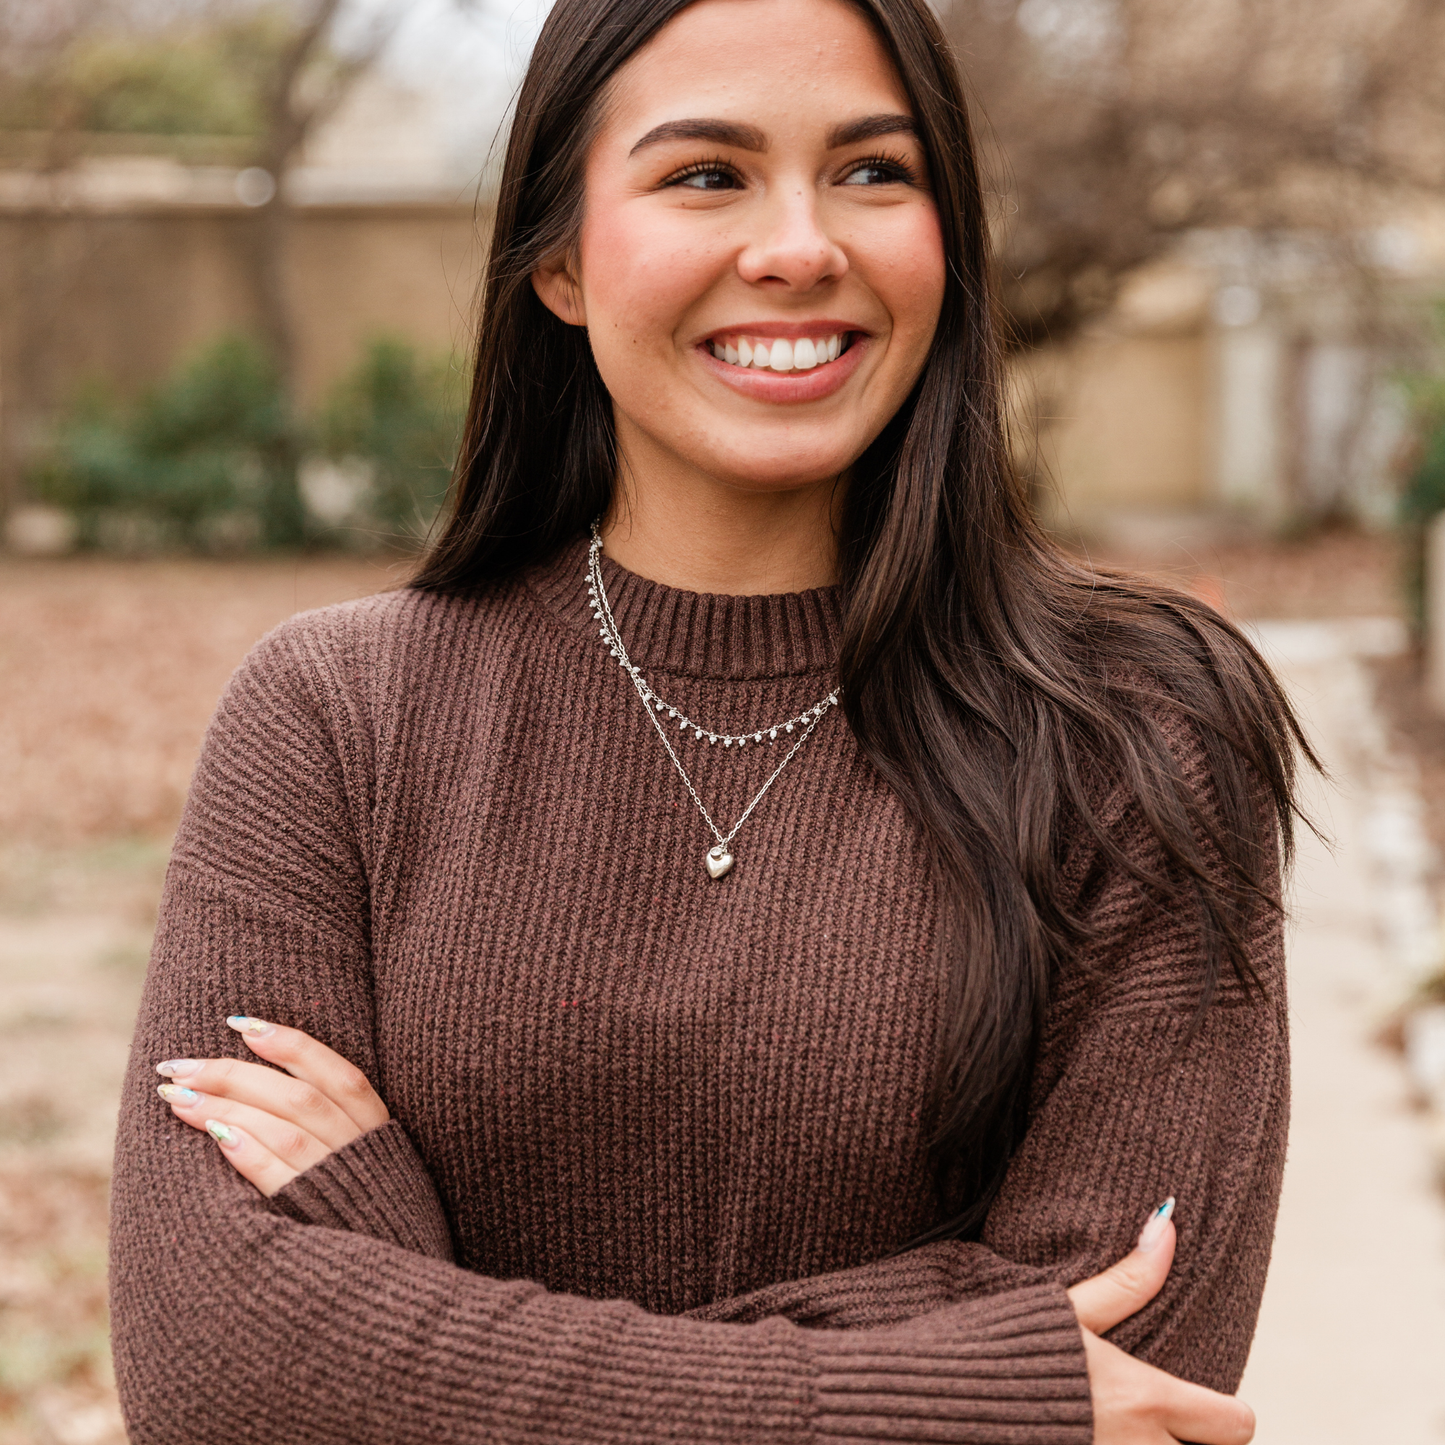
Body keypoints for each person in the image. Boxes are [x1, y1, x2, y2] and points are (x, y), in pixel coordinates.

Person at [109, 0, 1309, 1438]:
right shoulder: (336, 716)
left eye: (875, 171)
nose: (801, 246)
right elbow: (218, 1369)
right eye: (705, 175)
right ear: (556, 258)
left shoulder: (1140, 732)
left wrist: (394, 1270)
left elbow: (1146, 1383)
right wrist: (952, 1392)